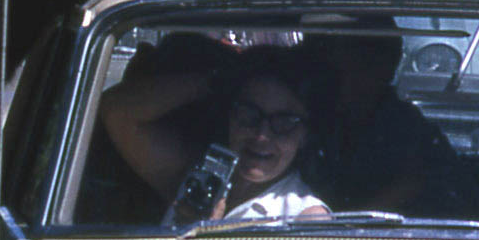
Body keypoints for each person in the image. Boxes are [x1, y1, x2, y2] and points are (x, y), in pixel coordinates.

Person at [98, 44, 331, 226]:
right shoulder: (194, 176)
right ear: (230, 116)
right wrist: (216, 82)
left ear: (305, 136)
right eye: (249, 115)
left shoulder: (305, 218)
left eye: (283, 123)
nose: (261, 135)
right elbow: (116, 111)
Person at [300, 25, 452, 211]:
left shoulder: (407, 127)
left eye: (364, 65)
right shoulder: (307, 117)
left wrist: (352, 226)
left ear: (388, 71)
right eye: (343, 67)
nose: (352, 78)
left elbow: (415, 180)